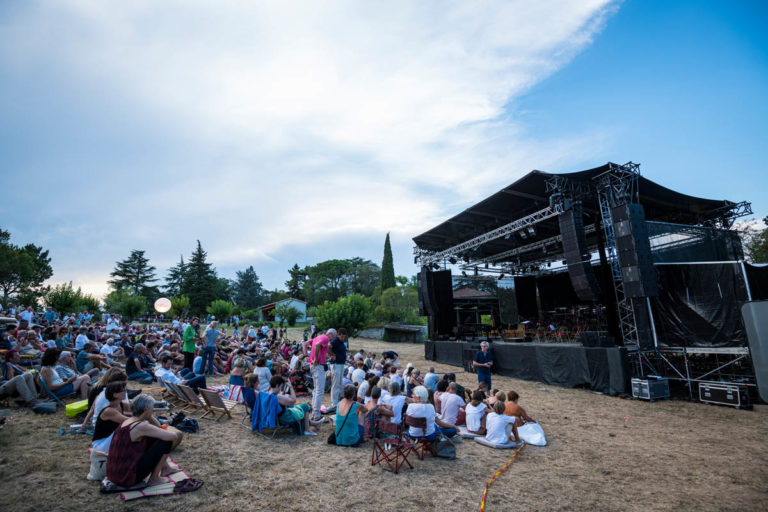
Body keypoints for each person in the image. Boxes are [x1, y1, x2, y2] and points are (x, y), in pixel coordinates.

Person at [106, 395, 179, 487]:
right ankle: (154, 479)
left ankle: (165, 468)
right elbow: (173, 436)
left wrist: (149, 417)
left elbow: (158, 428)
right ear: (146, 407)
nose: (153, 410)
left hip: (114, 474)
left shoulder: (127, 421)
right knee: (166, 441)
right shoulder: (141, 426)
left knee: (155, 438)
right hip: (127, 478)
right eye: (152, 408)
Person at [308, 329, 334, 421]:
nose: (332, 339)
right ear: (330, 334)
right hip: (318, 365)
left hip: (313, 365)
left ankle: (315, 413)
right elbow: (317, 345)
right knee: (319, 391)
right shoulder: (325, 338)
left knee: (316, 391)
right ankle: (316, 416)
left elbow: (307, 343)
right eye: (333, 337)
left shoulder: (318, 337)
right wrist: (315, 358)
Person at [329, 328, 347, 411]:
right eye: (341, 337)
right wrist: (332, 355)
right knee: (336, 384)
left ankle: (337, 401)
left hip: (341, 364)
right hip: (336, 364)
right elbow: (328, 347)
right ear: (338, 335)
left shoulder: (341, 342)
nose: (343, 338)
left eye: (344, 337)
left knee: (339, 383)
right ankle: (334, 403)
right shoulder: (336, 340)